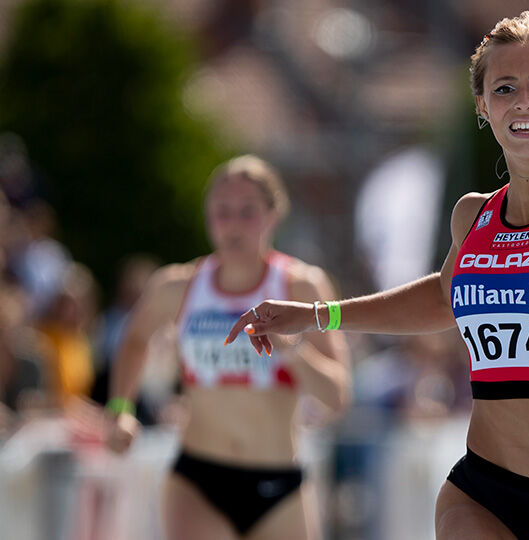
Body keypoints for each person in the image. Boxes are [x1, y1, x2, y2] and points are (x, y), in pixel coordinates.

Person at [227, 12, 529, 540]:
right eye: (505, 87)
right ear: (483, 106)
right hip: (484, 493)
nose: (525, 102)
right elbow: (444, 298)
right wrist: (317, 316)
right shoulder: (473, 216)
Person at [107, 155, 351, 540]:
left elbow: (337, 397)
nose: (233, 225)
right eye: (222, 212)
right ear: (207, 217)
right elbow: (135, 338)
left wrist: (292, 349)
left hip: (279, 484)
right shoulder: (177, 286)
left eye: (247, 212)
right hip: (198, 481)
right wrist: (121, 408)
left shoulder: (301, 287)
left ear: (273, 215)